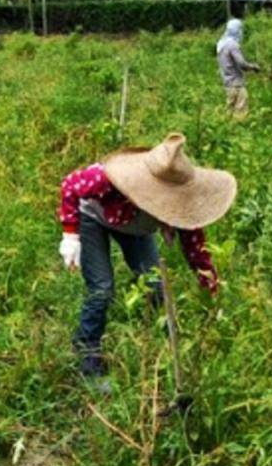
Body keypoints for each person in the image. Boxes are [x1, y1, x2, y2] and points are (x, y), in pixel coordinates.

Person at [58, 133, 236, 385]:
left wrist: (210, 285)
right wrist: (70, 235)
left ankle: (166, 343)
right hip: (93, 217)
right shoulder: (108, 178)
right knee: (102, 288)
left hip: (134, 228)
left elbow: (196, 248)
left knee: (155, 284)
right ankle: (87, 353)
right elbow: (70, 186)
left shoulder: (183, 202)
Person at [215, 17, 260, 116]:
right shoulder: (232, 45)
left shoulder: (221, 44)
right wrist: (254, 67)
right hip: (236, 84)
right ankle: (239, 130)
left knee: (229, 112)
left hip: (227, 83)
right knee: (240, 113)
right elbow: (242, 64)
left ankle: (229, 130)